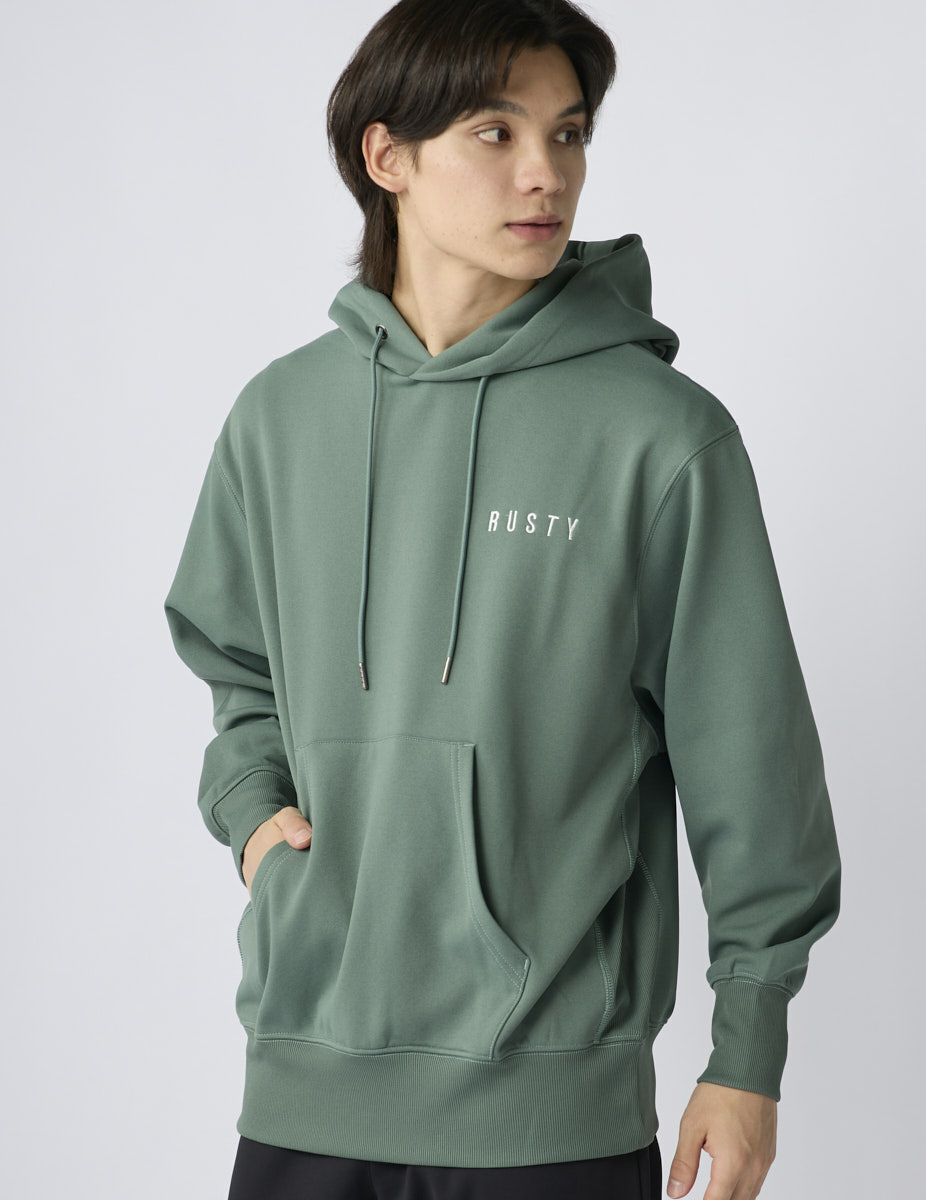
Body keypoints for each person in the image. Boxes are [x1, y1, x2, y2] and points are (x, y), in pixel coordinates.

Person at [163, 2, 842, 1197]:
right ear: (388, 158)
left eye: (567, 134)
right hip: (303, 1090)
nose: (547, 174)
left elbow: (752, 766)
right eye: (496, 133)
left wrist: (747, 1054)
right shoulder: (279, 419)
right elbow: (237, 669)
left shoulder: (660, 437)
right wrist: (254, 817)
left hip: (551, 1122)